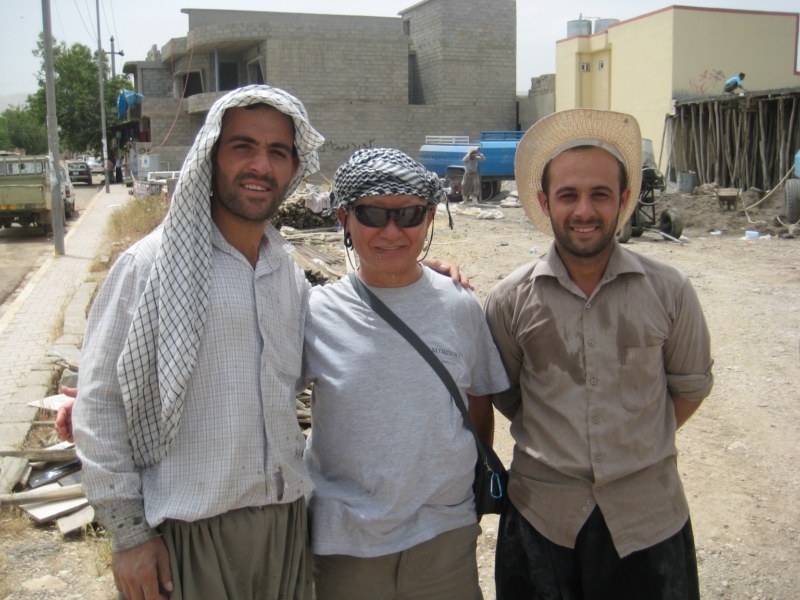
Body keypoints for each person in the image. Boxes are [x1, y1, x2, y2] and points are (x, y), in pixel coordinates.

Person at [72, 85, 326, 600]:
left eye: (278, 152)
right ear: (211, 155)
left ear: (294, 168)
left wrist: (412, 277)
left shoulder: (287, 273)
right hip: (189, 538)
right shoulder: (151, 266)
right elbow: (100, 403)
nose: (261, 166)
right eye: (243, 147)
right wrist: (129, 536)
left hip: (284, 531)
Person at [483, 109, 714, 599]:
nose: (584, 211)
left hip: (649, 523)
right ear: (544, 202)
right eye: (568, 195)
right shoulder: (509, 300)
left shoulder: (670, 291)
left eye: (600, 194)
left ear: (624, 200)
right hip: (539, 522)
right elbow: (508, 394)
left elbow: (689, 388)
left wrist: (633, 441)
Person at [301, 148, 509, 599]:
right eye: (373, 214)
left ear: (430, 217)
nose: (392, 231)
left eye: (409, 214)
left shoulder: (459, 305)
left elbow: (478, 401)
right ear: (344, 218)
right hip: (347, 547)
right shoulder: (314, 314)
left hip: (445, 541)